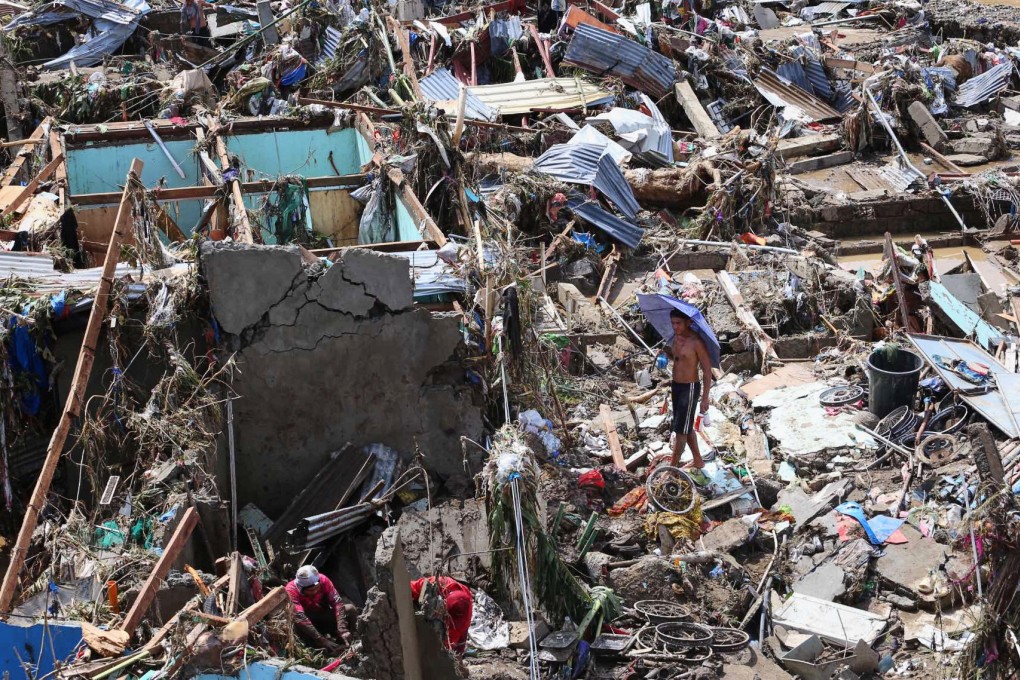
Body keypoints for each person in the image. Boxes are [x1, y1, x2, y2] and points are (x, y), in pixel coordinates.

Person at [661, 309, 713, 469]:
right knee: (685, 425)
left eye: (678, 323)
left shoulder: (696, 342)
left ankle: (672, 469)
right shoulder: (675, 339)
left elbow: (707, 370)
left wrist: (705, 398)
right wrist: (664, 353)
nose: (675, 327)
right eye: (673, 323)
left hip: (689, 388)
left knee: (681, 432)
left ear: (688, 322)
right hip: (676, 386)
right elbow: (677, 358)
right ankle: (698, 460)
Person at [285, 566, 351, 654]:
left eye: (317, 588)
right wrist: (321, 639)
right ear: (300, 588)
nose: (315, 592)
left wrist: (342, 629)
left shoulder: (323, 580)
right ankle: (315, 648)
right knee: (297, 624)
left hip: (322, 615)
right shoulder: (291, 590)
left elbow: (337, 603)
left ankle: (346, 639)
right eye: (310, 590)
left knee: (350, 609)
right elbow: (300, 617)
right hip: (307, 623)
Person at [410, 576, 473, 656]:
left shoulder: (467, 604)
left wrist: (455, 655)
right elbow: (410, 588)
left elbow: (460, 634)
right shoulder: (434, 584)